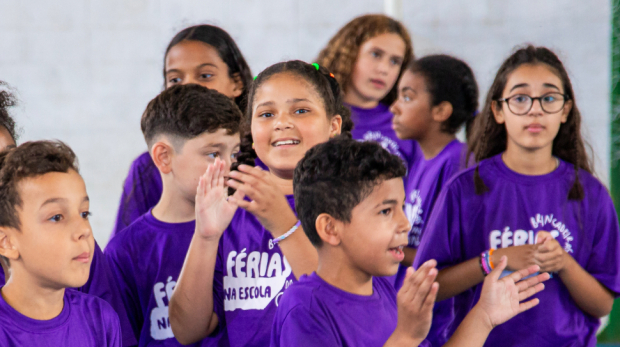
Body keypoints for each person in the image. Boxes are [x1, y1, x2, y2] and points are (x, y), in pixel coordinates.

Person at [415, 45, 620, 346]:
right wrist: (492, 260)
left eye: (549, 98)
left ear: (565, 110)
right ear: (498, 110)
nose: (535, 109)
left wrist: (564, 263)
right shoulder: (464, 189)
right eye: (521, 98)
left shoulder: (591, 194)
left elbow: (603, 306)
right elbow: (430, 285)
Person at [270, 137, 548, 347]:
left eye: (402, 208)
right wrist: (406, 335)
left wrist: (484, 315)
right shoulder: (305, 308)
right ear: (330, 228)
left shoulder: (383, 290)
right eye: (385, 211)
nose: (406, 224)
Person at [169, 61, 353, 346]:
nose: (282, 123)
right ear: (251, 134)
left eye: (301, 110)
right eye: (266, 114)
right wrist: (205, 236)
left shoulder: (358, 203)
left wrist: (283, 222)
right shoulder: (231, 207)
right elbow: (187, 330)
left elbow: (348, 312)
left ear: (333, 125)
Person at [105, 84, 241, 346]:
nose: (228, 167)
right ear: (164, 157)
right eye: (213, 153)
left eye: (234, 153)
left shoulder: (245, 227)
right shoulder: (125, 251)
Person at [111, 24, 252, 238]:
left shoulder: (263, 161)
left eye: (205, 75)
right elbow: (128, 251)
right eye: (175, 79)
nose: (188, 86)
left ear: (236, 83)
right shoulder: (147, 169)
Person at [389, 54, 479, 345]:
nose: (395, 107)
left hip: (441, 325)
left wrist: (386, 249)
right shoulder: (419, 162)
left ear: (441, 111)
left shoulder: (458, 163)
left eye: (407, 96)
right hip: (414, 319)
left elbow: (451, 258)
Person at [0, 141, 121, 346]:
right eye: (56, 217)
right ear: (7, 243)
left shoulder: (102, 320)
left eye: (84, 213)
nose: (84, 230)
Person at [316, 14, 417, 166]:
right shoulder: (312, 116)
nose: (383, 69)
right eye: (375, 54)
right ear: (348, 53)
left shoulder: (407, 124)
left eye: (395, 61)